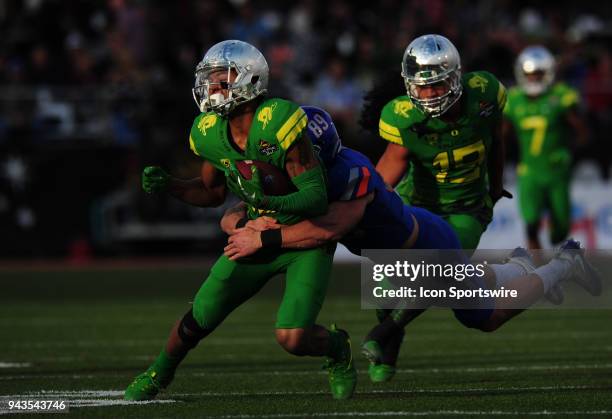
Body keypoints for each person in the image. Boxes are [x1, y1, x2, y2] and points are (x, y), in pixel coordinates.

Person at [222, 106, 601, 383]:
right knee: (402, 289)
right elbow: (243, 209)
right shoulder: (309, 182)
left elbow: (324, 231)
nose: (290, 164)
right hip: (405, 251)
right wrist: (242, 220)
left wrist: (263, 236)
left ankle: (563, 264)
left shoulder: (348, 182)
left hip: (428, 247)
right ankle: (516, 266)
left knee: (483, 317)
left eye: (297, 156)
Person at [124, 40, 357, 402]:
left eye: (222, 79)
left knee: (292, 338)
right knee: (202, 313)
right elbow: (212, 192)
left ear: (249, 80)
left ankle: (337, 347)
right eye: (210, 79)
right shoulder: (208, 131)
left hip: (303, 237)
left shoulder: (278, 120)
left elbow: (315, 198)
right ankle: (159, 373)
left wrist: (263, 201)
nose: (212, 88)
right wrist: (171, 185)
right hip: (255, 233)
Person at [361, 34, 511, 252]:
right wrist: (363, 205)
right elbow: (387, 172)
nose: (430, 94)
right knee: (393, 279)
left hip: (467, 209)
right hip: (416, 203)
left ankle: (518, 270)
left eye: (438, 84)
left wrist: (496, 186)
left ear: (455, 77)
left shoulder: (483, 93)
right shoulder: (405, 118)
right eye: (422, 86)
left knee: (440, 270)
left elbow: (497, 142)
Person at [503, 46, 588, 249]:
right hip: (529, 170)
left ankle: (558, 258)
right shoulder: (513, 99)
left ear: (548, 73)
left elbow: (582, 131)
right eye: (529, 74)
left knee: (560, 229)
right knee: (531, 222)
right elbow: (500, 136)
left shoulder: (560, 96)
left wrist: (570, 154)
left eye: (538, 74)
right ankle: (537, 270)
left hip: (556, 169)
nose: (533, 79)